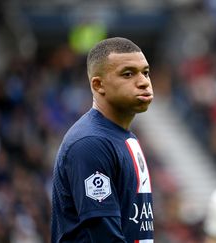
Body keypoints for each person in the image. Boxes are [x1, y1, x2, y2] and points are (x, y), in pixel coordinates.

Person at [51, 37, 155, 242]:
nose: (143, 81)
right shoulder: (90, 143)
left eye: (145, 72)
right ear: (98, 85)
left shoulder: (124, 138)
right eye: (128, 74)